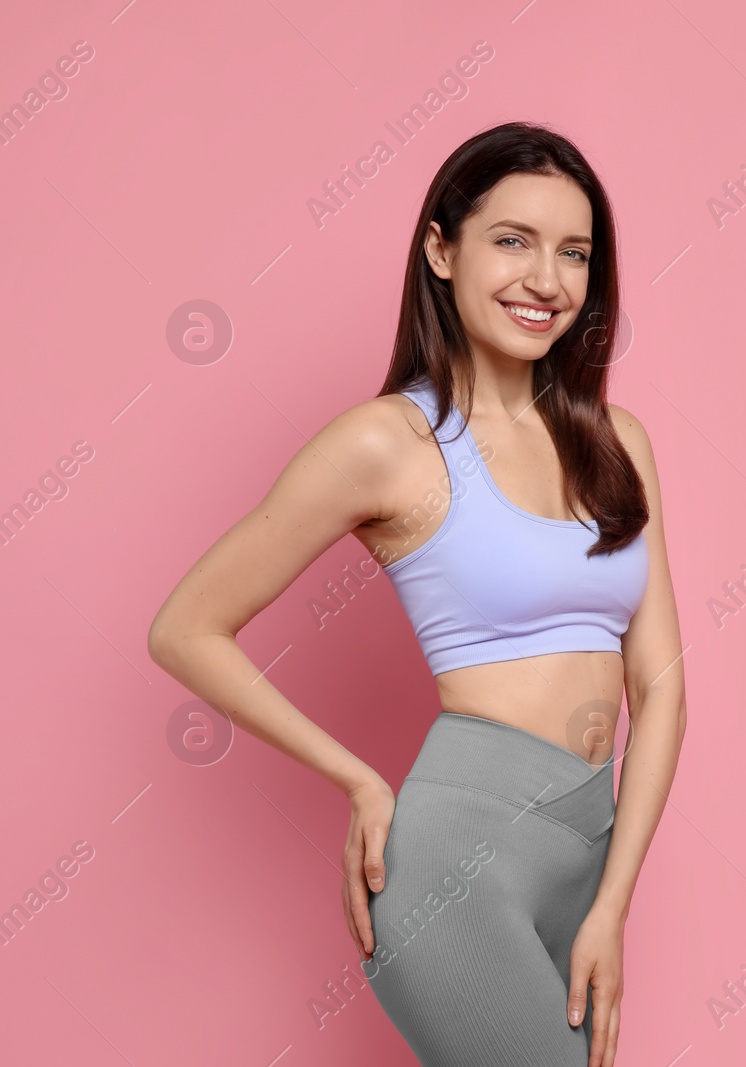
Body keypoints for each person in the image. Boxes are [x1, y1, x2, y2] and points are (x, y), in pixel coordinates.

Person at [148, 121, 686, 1067]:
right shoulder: (388, 443)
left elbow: (664, 687)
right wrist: (357, 777)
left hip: (589, 853)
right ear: (442, 249)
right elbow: (186, 628)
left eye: (575, 253)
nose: (547, 280)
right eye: (511, 241)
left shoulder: (617, 443)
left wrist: (613, 903)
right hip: (456, 863)